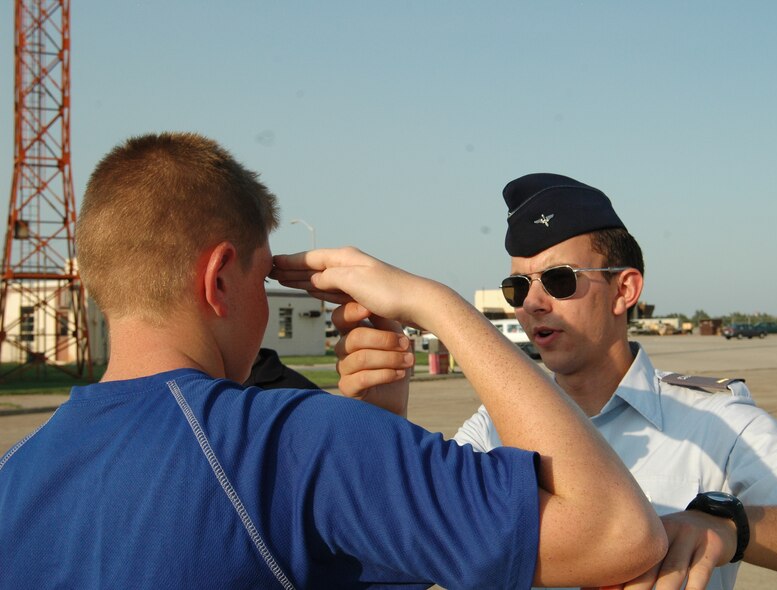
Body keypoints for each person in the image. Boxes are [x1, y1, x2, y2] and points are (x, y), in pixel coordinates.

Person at [0, 136, 667, 589]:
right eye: (265, 279)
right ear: (221, 279)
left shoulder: (17, 479)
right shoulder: (296, 440)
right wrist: (433, 304)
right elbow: (616, 532)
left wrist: (378, 428)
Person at [337, 173, 777, 590]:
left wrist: (731, 528)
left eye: (558, 279)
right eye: (516, 286)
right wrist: (379, 424)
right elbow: (392, 560)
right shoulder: (491, 427)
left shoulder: (714, 423)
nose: (533, 302)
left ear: (625, 291)